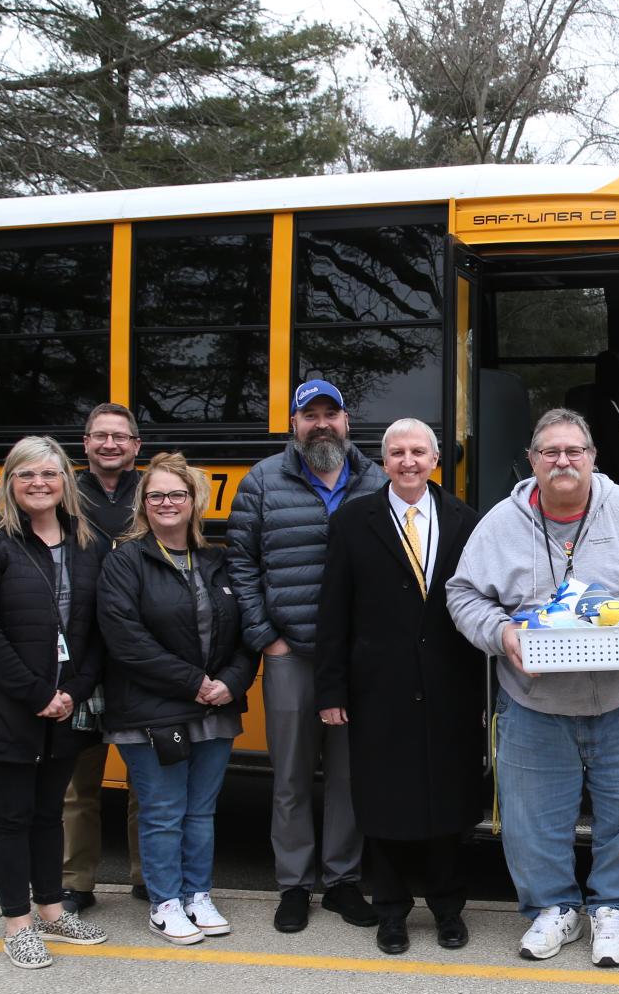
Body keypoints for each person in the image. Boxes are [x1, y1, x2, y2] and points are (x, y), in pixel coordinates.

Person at [446, 408, 619, 967]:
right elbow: (462, 595)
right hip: (533, 702)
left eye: (574, 451)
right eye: (550, 452)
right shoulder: (499, 525)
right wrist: (502, 633)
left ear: (592, 459)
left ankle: (613, 912)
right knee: (531, 817)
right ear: (532, 461)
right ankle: (552, 909)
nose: (563, 461)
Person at [315, 420, 485, 955]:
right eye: (396, 453)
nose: (407, 461)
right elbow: (332, 613)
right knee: (383, 800)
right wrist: (331, 691)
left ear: (436, 459)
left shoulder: (466, 520)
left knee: (448, 800)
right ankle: (391, 911)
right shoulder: (351, 521)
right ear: (382, 461)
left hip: (449, 686)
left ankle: (447, 908)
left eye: (417, 451)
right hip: (377, 687)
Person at [227, 379, 389, 934]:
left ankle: (343, 881)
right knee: (291, 776)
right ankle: (293, 885)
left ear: (347, 421)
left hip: (357, 658)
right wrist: (265, 636)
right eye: (309, 414)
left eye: (331, 413)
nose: (321, 423)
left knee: (350, 775)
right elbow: (241, 565)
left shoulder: (379, 480)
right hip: (291, 653)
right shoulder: (263, 482)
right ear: (293, 425)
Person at [0, 435, 109, 969]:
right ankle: (17, 922)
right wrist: (38, 693)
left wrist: (74, 692)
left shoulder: (88, 542)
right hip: (8, 704)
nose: (39, 483)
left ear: (66, 481)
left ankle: (52, 909)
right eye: (27, 475)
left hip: (67, 704)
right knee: (13, 814)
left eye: (50, 473)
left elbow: (96, 629)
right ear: (10, 483)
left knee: (50, 813)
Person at [97, 452, 260, 945]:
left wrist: (232, 681)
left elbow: (246, 635)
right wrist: (194, 682)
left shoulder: (218, 560)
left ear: (194, 502)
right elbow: (126, 639)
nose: (167, 503)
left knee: (200, 809)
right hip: (154, 711)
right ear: (143, 505)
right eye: (156, 495)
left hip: (215, 707)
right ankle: (165, 901)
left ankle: (197, 894)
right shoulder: (125, 561)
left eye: (177, 494)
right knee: (163, 809)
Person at [61, 402, 145, 913]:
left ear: (137, 446)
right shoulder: (64, 493)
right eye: (100, 436)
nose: (110, 444)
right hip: (83, 655)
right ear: (86, 444)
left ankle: (147, 873)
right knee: (78, 783)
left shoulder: (155, 491)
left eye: (120, 437)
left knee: (147, 779)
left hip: (138, 657)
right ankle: (76, 881)